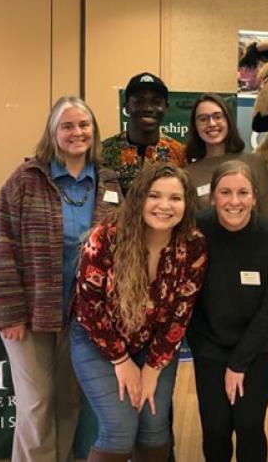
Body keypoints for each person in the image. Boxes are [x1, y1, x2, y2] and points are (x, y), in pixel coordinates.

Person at [0, 96, 121, 462]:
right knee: (36, 403)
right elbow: (0, 247)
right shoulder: (26, 180)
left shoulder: (108, 183)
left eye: (84, 125)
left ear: (94, 131)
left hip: (83, 315)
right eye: (68, 126)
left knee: (67, 399)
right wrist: (9, 313)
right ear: (53, 132)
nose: (77, 132)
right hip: (29, 315)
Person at [71, 163, 208, 462]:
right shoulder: (106, 236)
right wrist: (121, 361)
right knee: (120, 427)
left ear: (187, 203)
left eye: (175, 198)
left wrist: (153, 368)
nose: (164, 206)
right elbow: (88, 306)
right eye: (154, 195)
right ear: (138, 199)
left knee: (154, 425)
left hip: (154, 344)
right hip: (98, 341)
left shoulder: (193, 244)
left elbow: (181, 314)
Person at [187, 160, 268, 462]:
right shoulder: (196, 231)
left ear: (255, 198)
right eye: (225, 192)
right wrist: (207, 351)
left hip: (257, 346)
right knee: (215, 428)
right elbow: (189, 299)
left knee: (249, 424)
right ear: (213, 198)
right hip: (209, 343)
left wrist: (238, 363)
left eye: (242, 193)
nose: (234, 201)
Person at [185, 93, 268, 219]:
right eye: (203, 119)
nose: (211, 123)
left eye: (217, 117)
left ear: (228, 121)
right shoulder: (188, 174)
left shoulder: (254, 163)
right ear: (195, 126)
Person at [101, 72, 186, 194]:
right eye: (139, 101)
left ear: (166, 108)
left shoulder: (180, 154)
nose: (148, 108)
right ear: (127, 107)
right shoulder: (104, 152)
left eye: (156, 102)